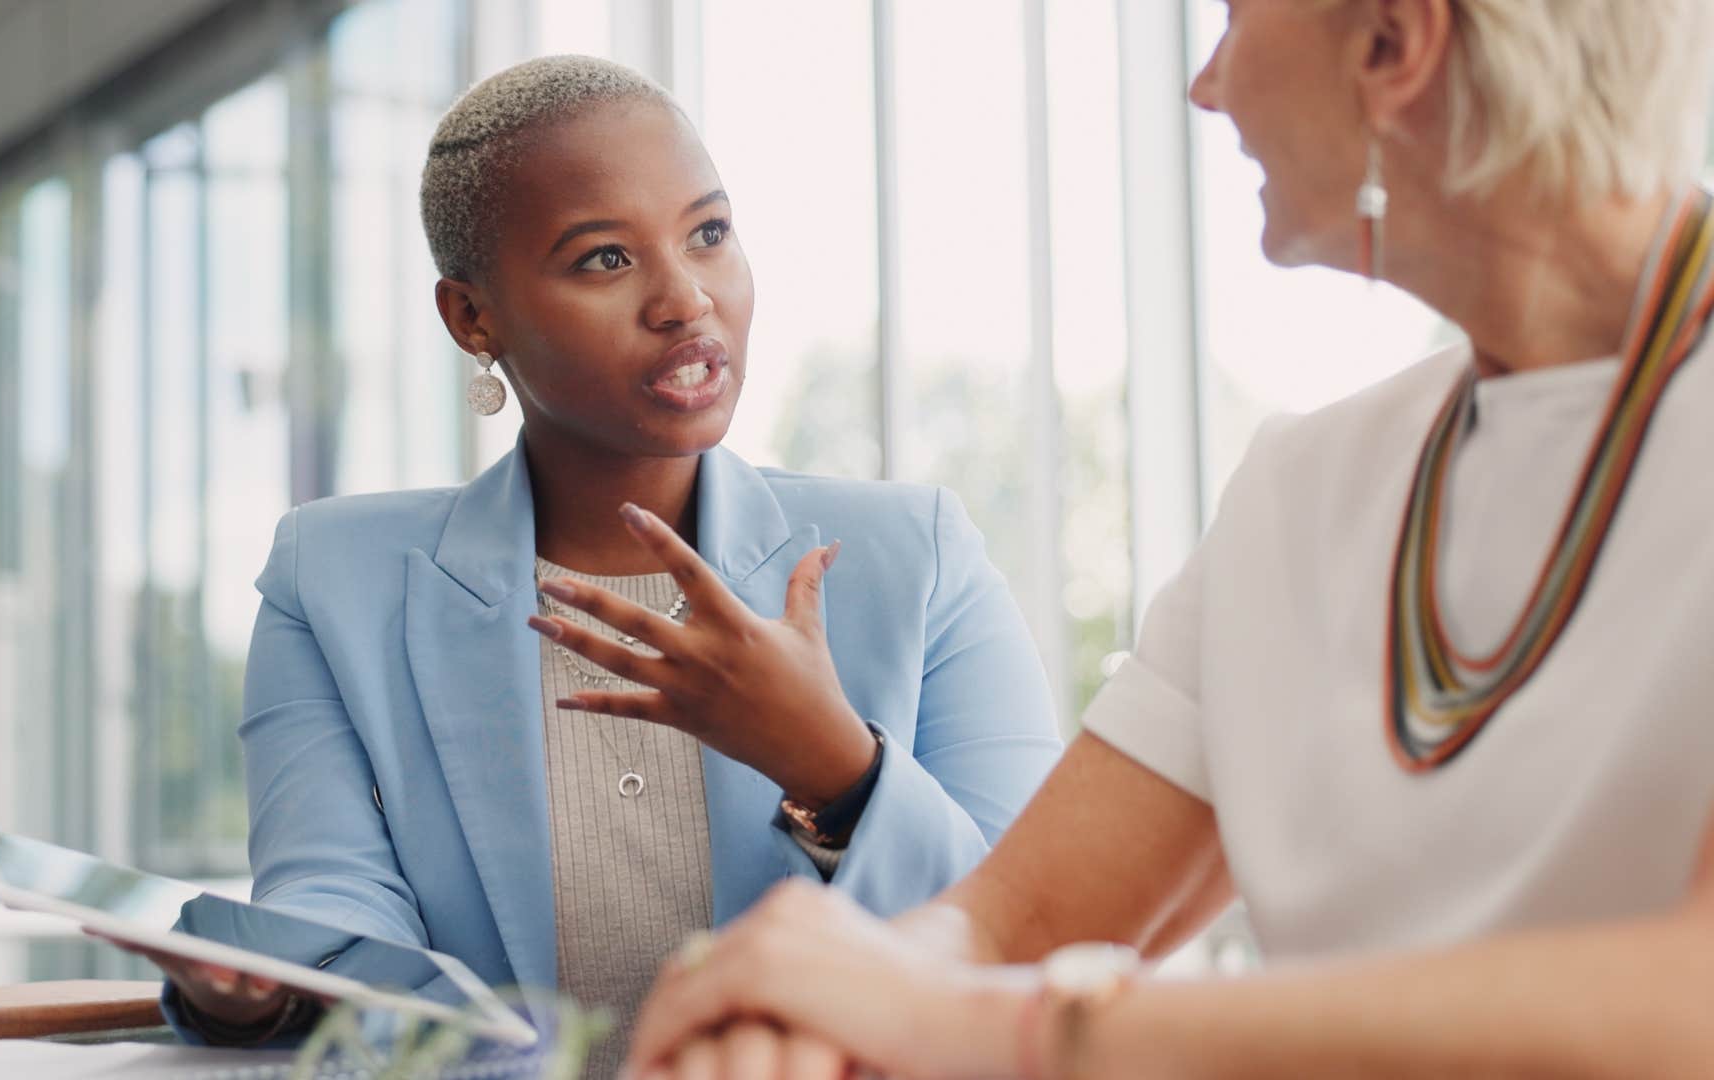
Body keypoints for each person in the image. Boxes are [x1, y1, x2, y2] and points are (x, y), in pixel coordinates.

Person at [543, 1, 1714, 1076]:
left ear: (1391, 46)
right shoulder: (1305, 486)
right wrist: (812, 1011)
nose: (1206, 87)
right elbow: (1017, 921)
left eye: (1238, 18)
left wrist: (1007, 1024)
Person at [121, 55, 1063, 1073]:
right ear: (471, 318)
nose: (685, 299)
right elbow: (337, 910)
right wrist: (254, 991)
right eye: (605, 260)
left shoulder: (915, 556)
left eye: (709, 232)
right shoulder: (332, 582)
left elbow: (1038, 938)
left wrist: (837, 767)